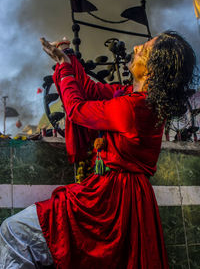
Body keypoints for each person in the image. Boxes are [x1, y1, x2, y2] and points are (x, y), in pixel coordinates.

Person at [0, 31, 196, 268]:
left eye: (144, 49)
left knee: (14, 231)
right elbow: (91, 91)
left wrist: (64, 66)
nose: (135, 49)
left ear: (152, 70)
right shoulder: (138, 102)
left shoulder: (132, 108)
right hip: (128, 198)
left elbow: (76, 109)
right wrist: (68, 58)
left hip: (111, 199)